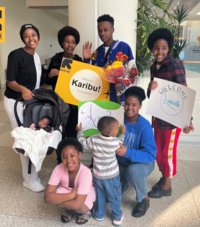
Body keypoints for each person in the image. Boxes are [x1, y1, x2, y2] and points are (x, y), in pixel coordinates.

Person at [146, 28, 194, 199]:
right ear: (152, 49)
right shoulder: (154, 67)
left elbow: (184, 94)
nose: (160, 52)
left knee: (168, 153)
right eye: (156, 48)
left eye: (164, 48)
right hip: (159, 118)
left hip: (172, 122)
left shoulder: (175, 65)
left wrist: (188, 120)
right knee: (158, 152)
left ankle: (167, 186)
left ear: (169, 49)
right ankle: (164, 177)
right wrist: (149, 88)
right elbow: (151, 95)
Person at [4, 24, 44, 192]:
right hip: (16, 103)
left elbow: (37, 78)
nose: (31, 38)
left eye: (33, 34)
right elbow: (10, 81)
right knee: (25, 139)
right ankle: (29, 179)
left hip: (30, 103)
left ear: (38, 37)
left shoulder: (36, 56)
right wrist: (22, 89)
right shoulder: (15, 55)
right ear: (23, 38)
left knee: (33, 136)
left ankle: (32, 173)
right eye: (27, 36)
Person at [115, 86, 157, 218]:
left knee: (133, 170)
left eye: (134, 105)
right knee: (113, 192)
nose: (129, 108)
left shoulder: (145, 126)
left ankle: (144, 199)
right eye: (127, 104)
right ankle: (124, 182)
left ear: (140, 106)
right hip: (121, 162)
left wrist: (128, 152)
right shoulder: (117, 119)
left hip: (142, 163)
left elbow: (151, 155)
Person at [76, 117, 125, 226]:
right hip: (112, 176)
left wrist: (79, 131)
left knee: (100, 195)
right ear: (110, 133)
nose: (118, 130)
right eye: (117, 129)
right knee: (114, 196)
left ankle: (99, 214)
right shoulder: (114, 141)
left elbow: (82, 142)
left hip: (98, 175)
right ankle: (117, 217)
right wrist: (122, 134)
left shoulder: (93, 139)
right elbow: (121, 142)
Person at [83, 14, 135, 105]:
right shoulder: (97, 52)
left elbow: (133, 74)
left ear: (113, 30)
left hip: (120, 101)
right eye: (100, 31)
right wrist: (87, 60)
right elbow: (89, 77)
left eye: (105, 30)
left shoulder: (124, 48)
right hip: (101, 101)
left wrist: (123, 85)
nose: (102, 33)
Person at [44, 138, 96, 225]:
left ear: (79, 154)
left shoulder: (85, 173)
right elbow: (47, 197)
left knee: (81, 207)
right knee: (54, 197)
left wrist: (58, 201)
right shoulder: (58, 168)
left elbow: (77, 204)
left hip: (86, 193)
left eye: (72, 156)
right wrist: (71, 195)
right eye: (64, 157)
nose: (68, 160)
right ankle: (70, 207)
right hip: (69, 191)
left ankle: (85, 212)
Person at [45, 26, 83, 142]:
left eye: (73, 42)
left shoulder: (79, 61)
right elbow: (47, 80)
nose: (70, 45)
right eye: (67, 42)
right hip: (58, 104)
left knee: (72, 134)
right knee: (59, 132)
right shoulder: (55, 60)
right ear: (62, 43)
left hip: (74, 106)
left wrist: (87, 62)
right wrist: (50, 74)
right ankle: (59, 159)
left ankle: (71, 158)